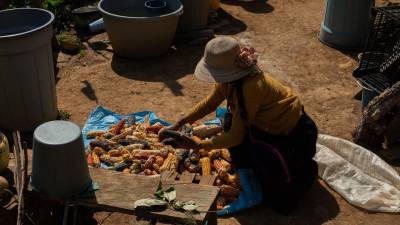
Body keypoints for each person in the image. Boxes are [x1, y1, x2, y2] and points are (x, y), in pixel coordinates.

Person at [166, 36, 318, 213]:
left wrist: (199, 145)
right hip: (262, 124)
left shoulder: (251, 87)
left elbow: (236, 137)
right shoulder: (229, 80)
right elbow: (210, 103)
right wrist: (180, 121)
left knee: (282, 204)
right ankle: (253, 175)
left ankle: (307, 170)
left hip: (293, 133)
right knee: (230, 122)